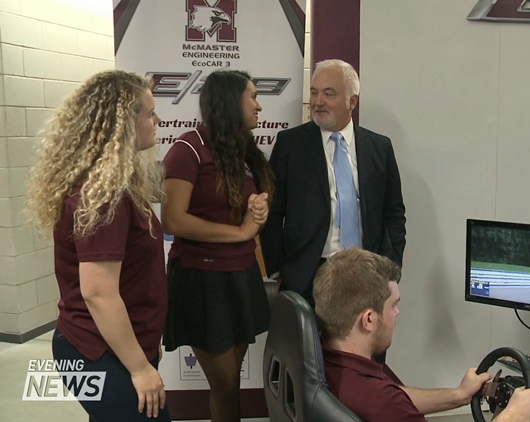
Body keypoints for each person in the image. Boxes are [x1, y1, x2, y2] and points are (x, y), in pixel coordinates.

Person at [26, 70, 170, 421]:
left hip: (113, 345)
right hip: (96, 350)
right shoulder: (103, 195)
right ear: (123, 122)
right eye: (149, 113)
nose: (157, 120)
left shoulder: (114, 182)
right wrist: (139, 368)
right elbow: (98, 294)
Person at [313, 248, 530, 422]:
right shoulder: (382, 404)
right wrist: (513, 416)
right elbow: (391, 404)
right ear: (369, 320)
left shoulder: (325, 362)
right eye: (392, 306)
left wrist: (458, 395)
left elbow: (397, 397)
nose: (397, 313)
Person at [160, 70, 273, 421]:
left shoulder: (243, 152)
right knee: (225, 388)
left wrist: (258, 211)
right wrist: (241, 233)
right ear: (229, 102)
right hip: (202, 279)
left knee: (230, 386)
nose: (258, 104)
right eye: (252, 96)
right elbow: (173, 220)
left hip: (240, 275)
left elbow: (244, 214)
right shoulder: (187, 149)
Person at [261, 59, 407, 305]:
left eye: (329, 94)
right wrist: (277, 270)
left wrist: (390, 265)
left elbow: (393, 213)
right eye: (314, 92)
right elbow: (273, 212)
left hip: (367, 271)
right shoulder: (291, 145)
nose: (318, 101)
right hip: (307, 274)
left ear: (352, 101)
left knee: (363, 342)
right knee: (309, 344)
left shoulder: (379, 147)